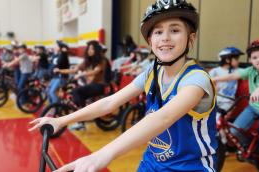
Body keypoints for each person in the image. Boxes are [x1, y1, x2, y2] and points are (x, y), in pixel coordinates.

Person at [30, 0, 218, 171]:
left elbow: (163, 118)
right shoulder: (151, 73)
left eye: (175, 30)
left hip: (190, 168)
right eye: (158, 32)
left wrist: (102, 155)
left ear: (191, 39)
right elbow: (109, 102)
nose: (165, 37)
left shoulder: (196, 79)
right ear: (150, 41)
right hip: (151, 163)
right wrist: (61, 121)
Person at [213, 38, 259, 172]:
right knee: (234, 131)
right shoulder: (250, 70)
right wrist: (213, 79)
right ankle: (251, 146)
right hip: (253, 108)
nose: (258, 60)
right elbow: (232, 76)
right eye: (254, 57)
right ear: (250, 60)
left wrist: (258, 90)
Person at [53, 40, 109, 130]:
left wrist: (81, 74)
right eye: (89, 49)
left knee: (77, 91)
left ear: (97, 50)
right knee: (74, 92)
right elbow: (74, 70)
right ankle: (82, 113)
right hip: (90, 85)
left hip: (99, 86)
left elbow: (95, 71)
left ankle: (81, 122)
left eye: (92, 49)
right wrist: (60, 70)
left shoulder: (101, 61)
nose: (89, 50)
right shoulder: (86, 61)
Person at [209, 47, 243, 115]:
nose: (238, 61)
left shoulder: (237, 71)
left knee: (219, 119)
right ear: (227, 60)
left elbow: (230, 76)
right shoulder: (215, 71)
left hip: (228, 102)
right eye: (236, 59)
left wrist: (214, 79)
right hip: (214, 101)